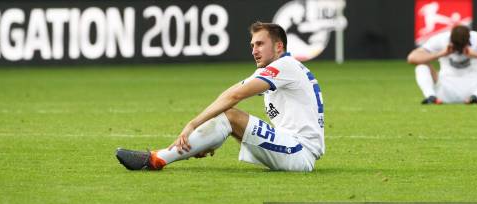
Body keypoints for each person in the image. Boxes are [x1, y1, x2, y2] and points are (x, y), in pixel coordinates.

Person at [115, 22, 324, 172]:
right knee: (229, 117)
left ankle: (156, 159)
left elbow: (235, 96)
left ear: (279, 47)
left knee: (231, 115)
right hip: (291, 147)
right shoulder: (279, 68)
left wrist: (193, 124)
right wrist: (210, 139)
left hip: (299, 152)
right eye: (252, 45)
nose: (254, 50)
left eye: (260, 44)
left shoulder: (284, 66)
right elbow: (231, 93)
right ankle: (169, 154)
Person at [407, 25, 477, 104]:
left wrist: (476, 54)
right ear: (450, 40)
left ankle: (476, 97)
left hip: (474, 88)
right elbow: (412, 58)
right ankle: (431, 97)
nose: (459, 50)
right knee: (422, 64)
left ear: (469, 40)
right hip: (445, 90)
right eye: (457, 46)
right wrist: (441, 53)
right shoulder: (440, 39)